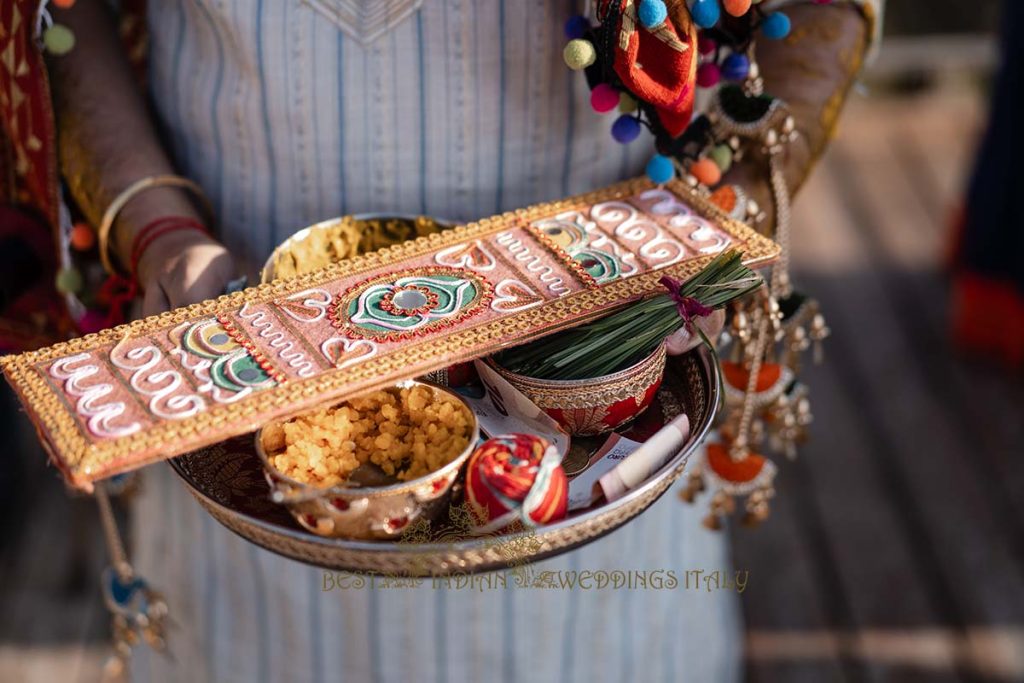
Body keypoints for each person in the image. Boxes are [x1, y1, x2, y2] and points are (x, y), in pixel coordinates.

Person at [19, 0, 879, 680]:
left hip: (605, 416)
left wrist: (718, 226)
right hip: (248, 425)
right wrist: (155, 222)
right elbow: (53, 12)